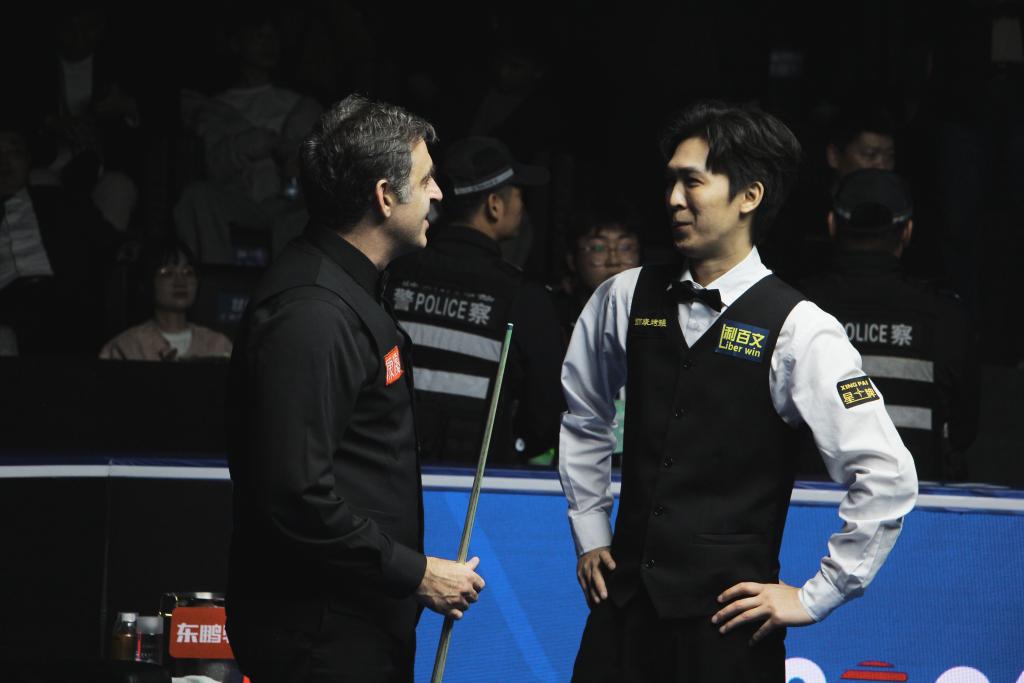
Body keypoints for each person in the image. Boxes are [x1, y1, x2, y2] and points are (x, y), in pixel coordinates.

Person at [559, 101, 918, 681]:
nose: (674, 199)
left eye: (692, 182)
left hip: (728, 633)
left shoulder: (802, 329)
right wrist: (591, 533)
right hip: (620, 617)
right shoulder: (624, 296)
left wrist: (816, 595)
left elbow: (888, 474)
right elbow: (584, 414)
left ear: (749, 196)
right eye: (670, 181)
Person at [225, 95, 484, 683]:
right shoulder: (312, 313)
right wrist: (418, 574)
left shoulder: (346, 287)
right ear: (385, 196)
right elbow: (294, 498)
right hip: (321, 636)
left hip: (351, 624)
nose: (439, 194)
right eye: (427, 179)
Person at [385, 136, 565, 466]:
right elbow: (546, 415)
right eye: (519, 195)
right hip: (480, 484)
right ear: (494, 205)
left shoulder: (392, 274)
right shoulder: (523, 298)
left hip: (391, 472)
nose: (523, 206)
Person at [801, 169, 979, 481]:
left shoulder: (795, 308)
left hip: (808, 501)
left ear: (831, 225)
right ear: (907, 231)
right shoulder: (947, 317)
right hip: (918, 501)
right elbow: (964, 432)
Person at [99, 240, 232, 361]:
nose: (181, 281)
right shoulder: (124, 347)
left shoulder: (218, 345)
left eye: (188, 272)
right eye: (167, 273)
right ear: (147, 282)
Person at [552, 207, 642, 338]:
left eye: (625, 247)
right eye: (598, 248)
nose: (613, 261)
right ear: (572, 259)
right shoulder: (550, 317)